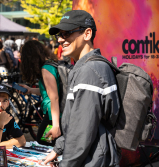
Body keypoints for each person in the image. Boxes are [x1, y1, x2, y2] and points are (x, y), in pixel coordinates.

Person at [41, 10, 121, 167]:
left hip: (93, 160)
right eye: (59, 35)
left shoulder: (90, 70)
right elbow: (76, 123)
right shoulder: (86, 66)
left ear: (87, 34)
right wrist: (58, 149)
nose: (60, 40)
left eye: (67, 33)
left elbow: (81, 134)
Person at [19, 40, 61, 146]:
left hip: (53, 117)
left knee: (43, 143)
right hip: (55, 115)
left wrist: (55, 125)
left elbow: (54, 98)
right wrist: (30, 90)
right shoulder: (51, 65)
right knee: (48, 144)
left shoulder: (46, 69)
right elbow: (48, 91)